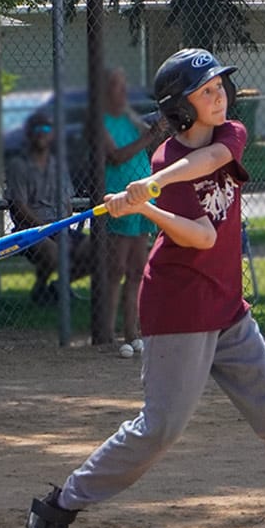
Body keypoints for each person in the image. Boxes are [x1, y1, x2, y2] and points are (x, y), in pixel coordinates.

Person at [22, 48, 265, 528]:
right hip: (179, 308)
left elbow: (206, 163)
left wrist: (151, 191)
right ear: (180, 108)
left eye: (219, 86)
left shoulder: (230, 136)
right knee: (160, 429)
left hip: (225, 305)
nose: (218, 95)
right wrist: (148, 205)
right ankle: (55, 509)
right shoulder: (162, 164)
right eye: (205, 91)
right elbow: (200, 236)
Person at [103, 67, 168, 355]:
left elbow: (149, 140)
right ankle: (106, 332)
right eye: (117, 87)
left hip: (144, 198)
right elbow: (115, 156)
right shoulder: (100, 121)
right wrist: (149, 135)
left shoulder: (129, 115)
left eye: (123, 86)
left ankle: (133, 331)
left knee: (138, 270)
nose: (122, 92)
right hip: (121, 197)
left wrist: (159, 128)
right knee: (117, 266)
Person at [5, 112, 93, 305]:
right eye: (36, 129)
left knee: (98, 248)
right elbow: (19, 208)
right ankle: (41, 287)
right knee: (53, 252)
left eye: (46, 129)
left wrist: (63, 230)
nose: (41, 133)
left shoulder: (58, 165)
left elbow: (67, 203)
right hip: (31, 231)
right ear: (28, 133)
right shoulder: (18, 165)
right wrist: (49, 230)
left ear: (52, 134)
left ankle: (59, 286)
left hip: (61, 228)